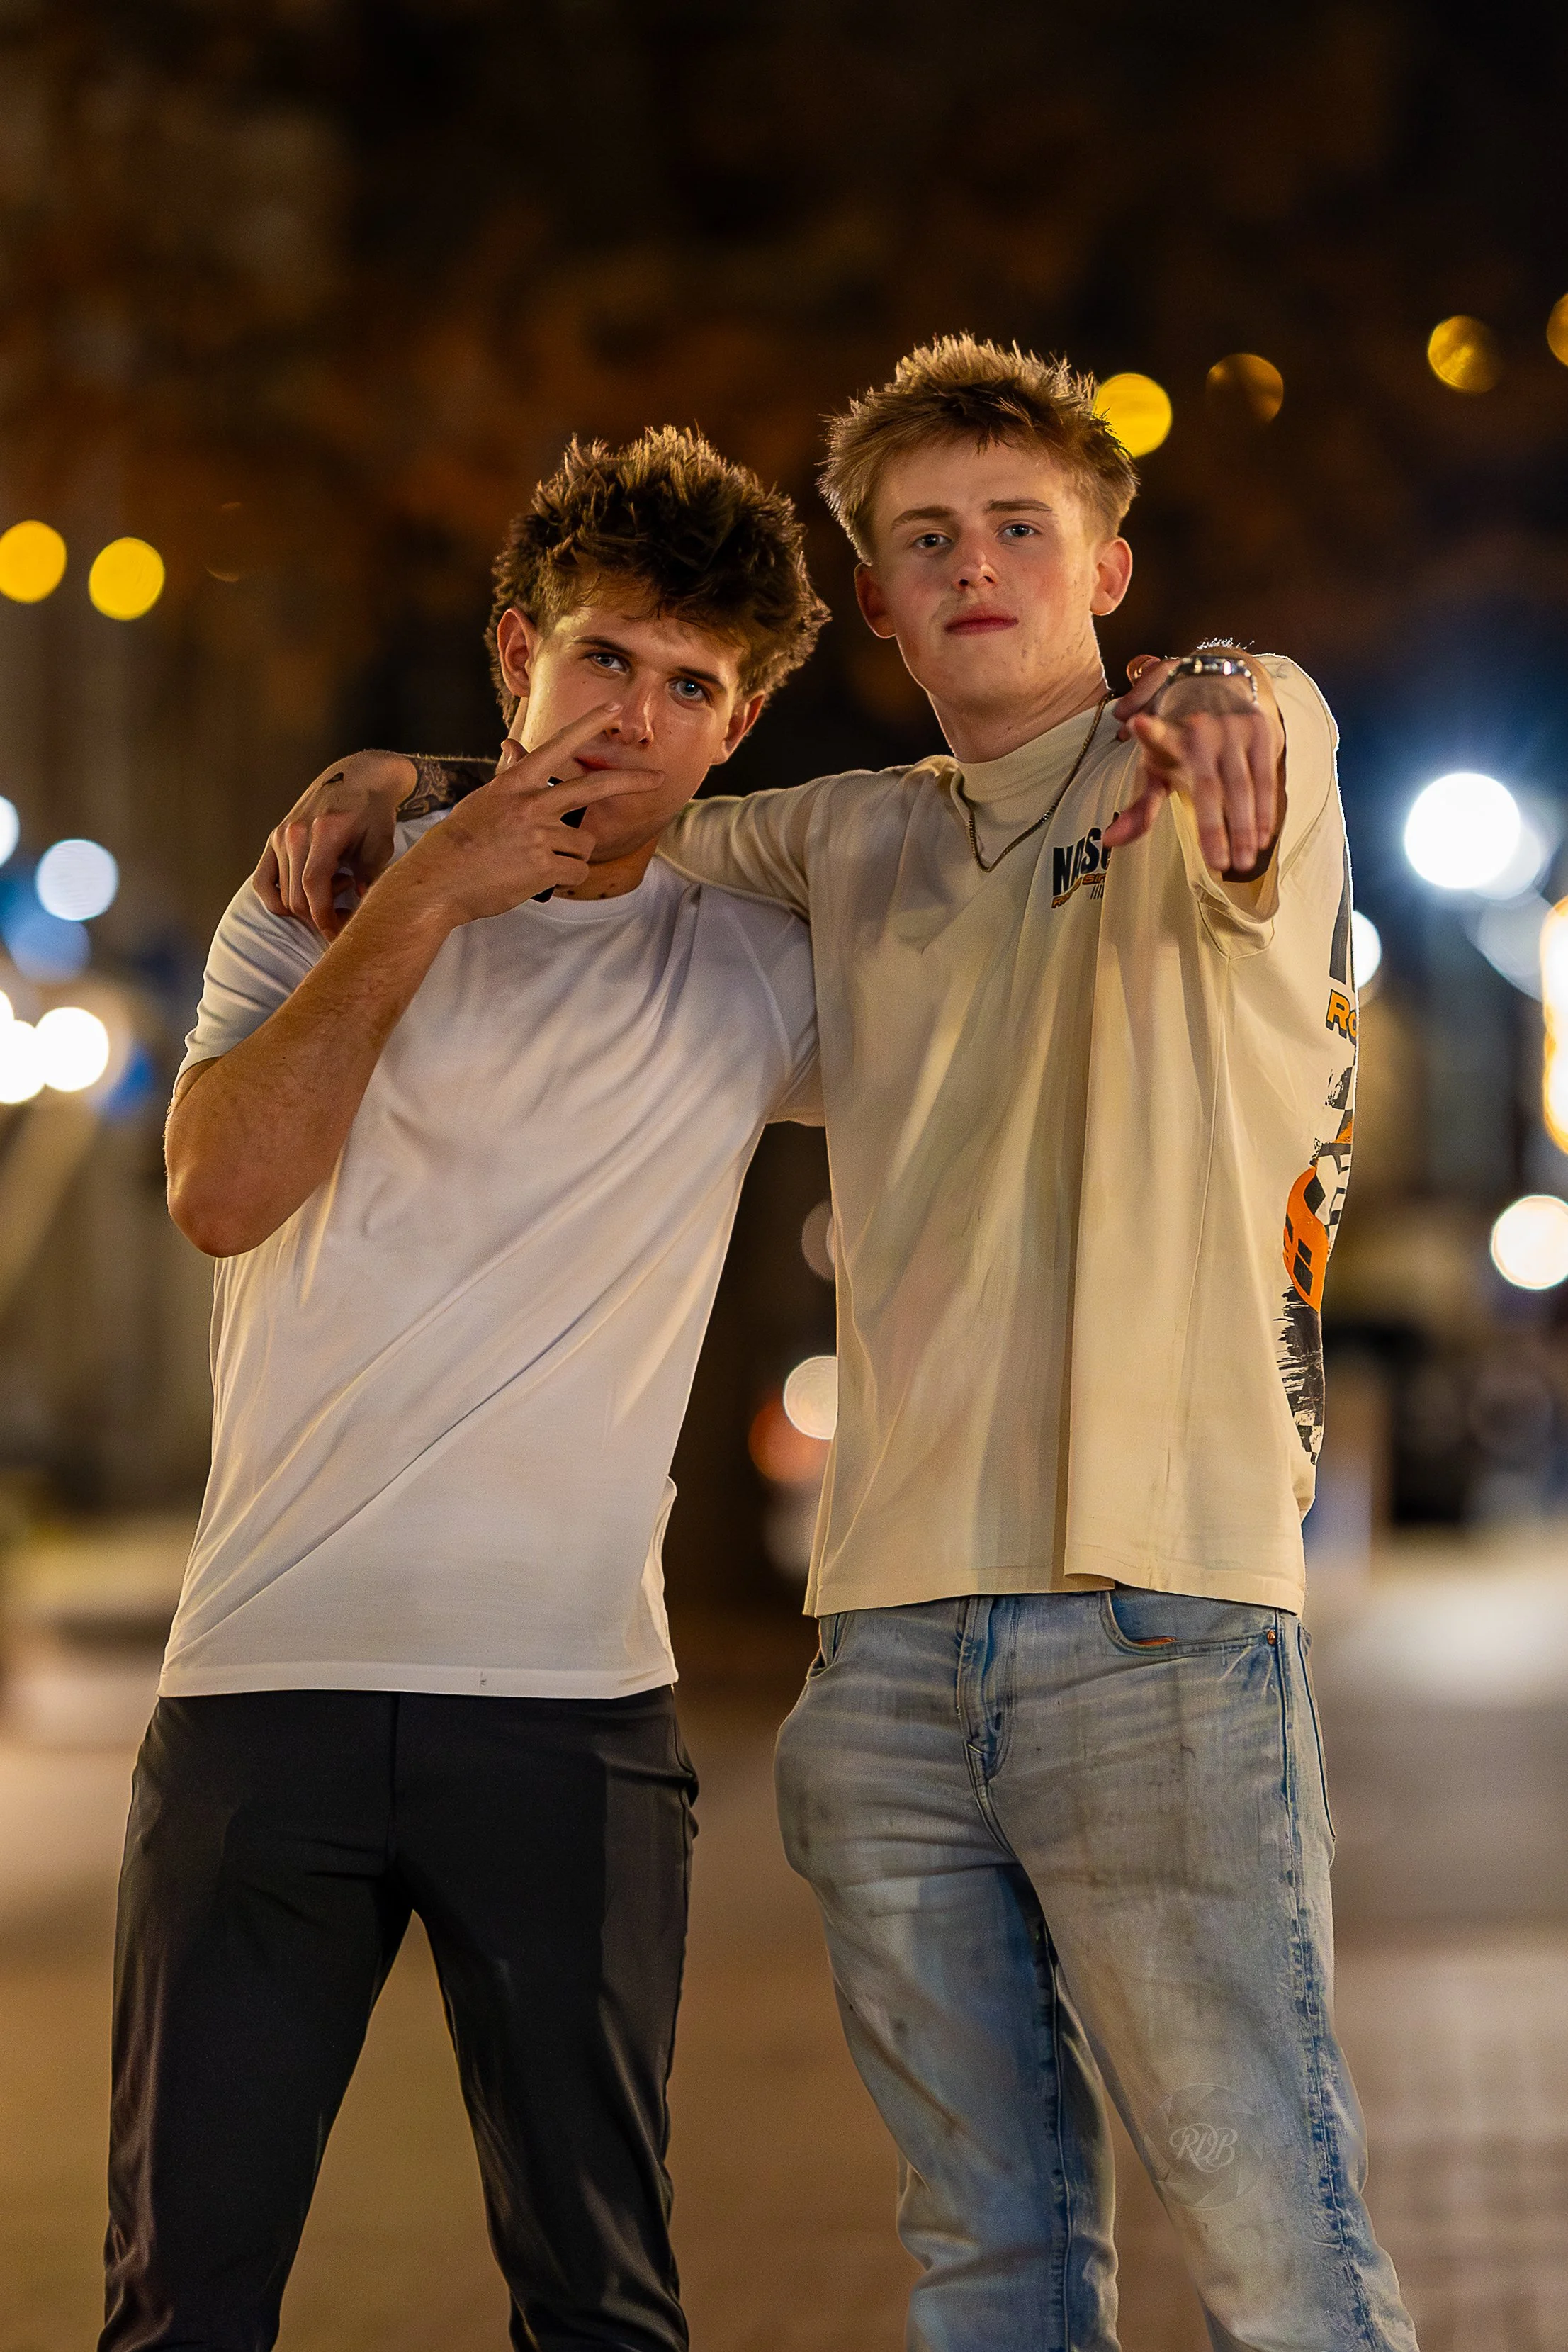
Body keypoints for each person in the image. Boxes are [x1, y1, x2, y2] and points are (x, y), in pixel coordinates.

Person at [264, 339, 1414, 2352]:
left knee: (1273, 2241)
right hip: (884, 1662)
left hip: (1154, 1625)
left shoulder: (1211, 754)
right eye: (925, 539)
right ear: (874, 600)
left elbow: (1271, 744)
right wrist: (409, 781)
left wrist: (1234, 685)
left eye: (1020, 528)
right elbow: (618, 817)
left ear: (1108, 568)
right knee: (985, 2256)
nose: (975, 567)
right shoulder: (847, 842)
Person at [103, 427, 828, 2352]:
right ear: (518, 652)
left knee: (602, 2306)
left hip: (571, 1716)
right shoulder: (321, 891)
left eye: (693, 687)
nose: (637, 719)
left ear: (739, 725)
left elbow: (972, 898)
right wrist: (423, 889)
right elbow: (220, 1191)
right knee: (183, 2306)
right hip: (263, 1692)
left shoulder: (754, 965)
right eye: (606, 658)